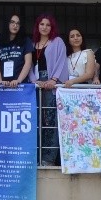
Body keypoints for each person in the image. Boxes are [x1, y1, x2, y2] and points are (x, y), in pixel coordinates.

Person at [31, 14, 69, 166]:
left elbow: (61, 61)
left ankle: (49, 158)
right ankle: (37, 156)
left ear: (51, 27)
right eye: (42, 24)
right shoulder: (33, 44)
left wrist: (53, 79)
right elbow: (28, 63)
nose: (44, 27)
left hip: (52, 82)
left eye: (48, 25)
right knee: (37, 120)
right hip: (36, 83)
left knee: (51, 120)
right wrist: (34, 81)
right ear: (37, 26)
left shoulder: (57, 41)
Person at [0, 13, 32, 89]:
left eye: (18, 23)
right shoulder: (0, 43)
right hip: (4, 86)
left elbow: (28, 63)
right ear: (7, 24)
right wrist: (0, 81)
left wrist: (18, 80)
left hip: (21, 86)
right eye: (12, 22)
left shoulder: (26, 41)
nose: (15, 25)